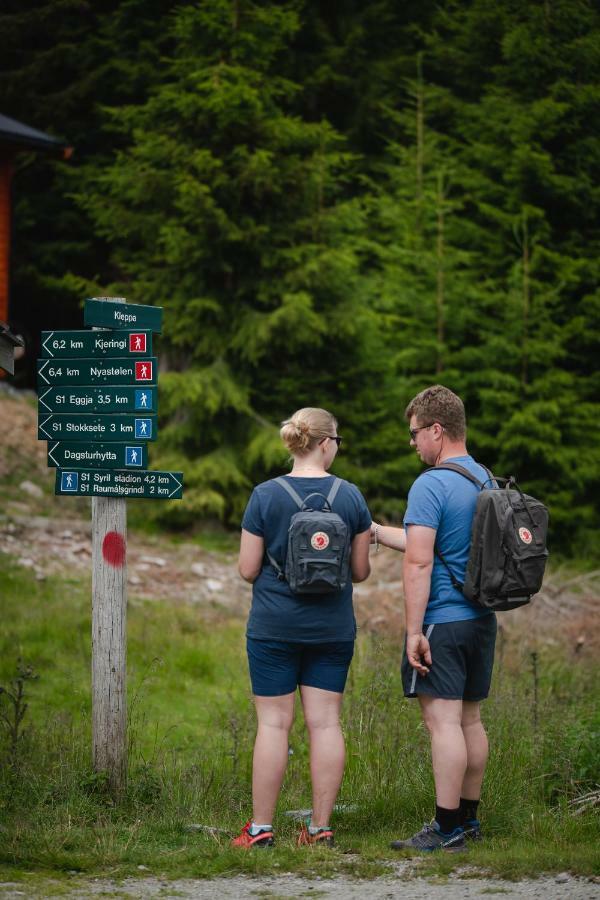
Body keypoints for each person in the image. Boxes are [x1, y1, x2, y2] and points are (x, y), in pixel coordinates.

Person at [232, 407, 372, 849]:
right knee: (326, 724)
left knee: (273, 725)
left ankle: (259, 830)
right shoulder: (350, 496)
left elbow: (247, 569)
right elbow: (361, 572)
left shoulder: (265, 495)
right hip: (331, 629)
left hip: (274, 625)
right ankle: (320, 829)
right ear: (328, 443)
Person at [372, 385, 497, 853]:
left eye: (416, 433)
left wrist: (411, 632)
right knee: (470, 720)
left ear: (437, 431)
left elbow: (421, 562)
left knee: (442, 723)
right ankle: (468, 819)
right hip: (481, 619)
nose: (413, 443)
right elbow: (446, 544)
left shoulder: (430, 484)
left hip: (442, 620)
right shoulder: (483, 478)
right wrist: (381, 533)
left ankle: (445, 829)